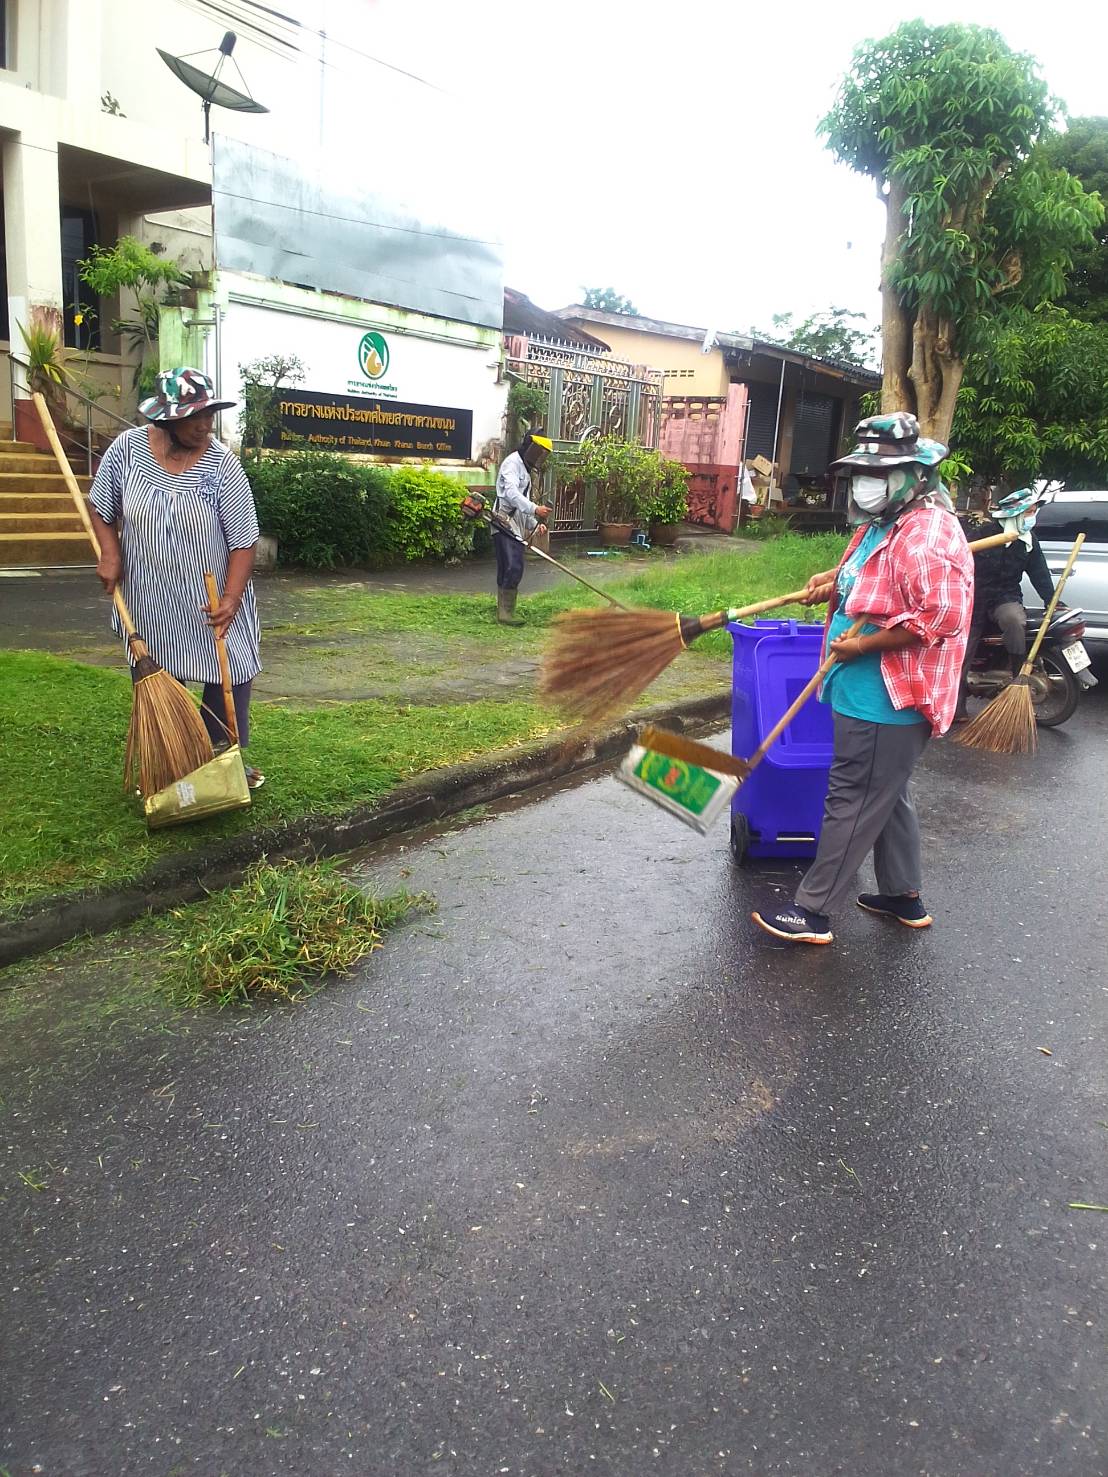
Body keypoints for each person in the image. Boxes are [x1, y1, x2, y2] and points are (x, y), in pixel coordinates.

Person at [751, 412, 974, 946]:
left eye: (883, 472)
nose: (868, 482)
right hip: (862, 685)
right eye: (863, 472)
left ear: (916, 475)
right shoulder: (887, 521)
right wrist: (832, 581)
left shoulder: (927, 534)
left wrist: (864, 643)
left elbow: (942, 617)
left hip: (889, 695)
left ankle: (814, 911)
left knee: (852, 795)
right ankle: (902, 895)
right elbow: (874, 573)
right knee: (886, 791)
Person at [87, 367, 266, 789]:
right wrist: (110, 552)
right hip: (149, 598)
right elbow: (100, 505)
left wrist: (232, 599)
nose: (205, 425)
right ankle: (171, 764)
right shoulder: (127, 452)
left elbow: (244, 539)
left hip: (212, 600)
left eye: (209, 415)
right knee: (158, 680)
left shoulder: (222, 464)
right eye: (194, 417)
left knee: (229, 672)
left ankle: (224, 765)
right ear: (165, 419)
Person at [954, 486, 1057, 720]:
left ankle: (1018, 671)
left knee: (1014, 620)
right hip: (974, 599)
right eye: (1028, 512)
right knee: (963, 651)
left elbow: (1039, 573)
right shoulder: (985, 533)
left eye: (1033, 512)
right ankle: (957, 706)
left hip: (1005, 597)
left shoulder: (1029, 542)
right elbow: (960, 561)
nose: (1031, 517)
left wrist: (1052, 600)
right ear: (1015, 514)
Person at [492, 432, 553, 626]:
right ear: (530, 447)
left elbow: (521, 504)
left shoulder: (524, 470)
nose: (539, 457)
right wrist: (535, 508)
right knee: (513, 565)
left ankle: (505, 610)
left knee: (509, 567)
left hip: (513, 522)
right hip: (503, 521)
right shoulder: (512, 464)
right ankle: (505, 613)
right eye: (538, 452)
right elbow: (511, 494)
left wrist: (534, 524)